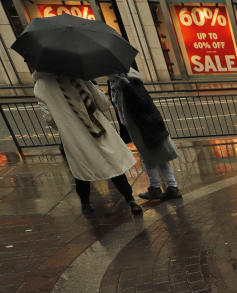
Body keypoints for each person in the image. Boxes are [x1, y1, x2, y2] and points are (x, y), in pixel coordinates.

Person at [33, 71, 141, 217]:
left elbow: (49, 119)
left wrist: (65, 120)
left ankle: (85, 204)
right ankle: (131, 200)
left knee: (81, 170)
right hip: (98, 129)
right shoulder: (79, 77)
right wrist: (90, 83)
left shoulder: (41, 86)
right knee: (113, 165)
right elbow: (103, 104)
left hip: (73, 135)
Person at [109, 68, 180, 202]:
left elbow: (142, 102)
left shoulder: (130, 83)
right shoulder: (120, 85)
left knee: (149, 157)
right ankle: (171, 186)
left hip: (145, 125)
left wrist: (127, 87)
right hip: (143, 125)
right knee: (157, 156)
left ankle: (157, 188)